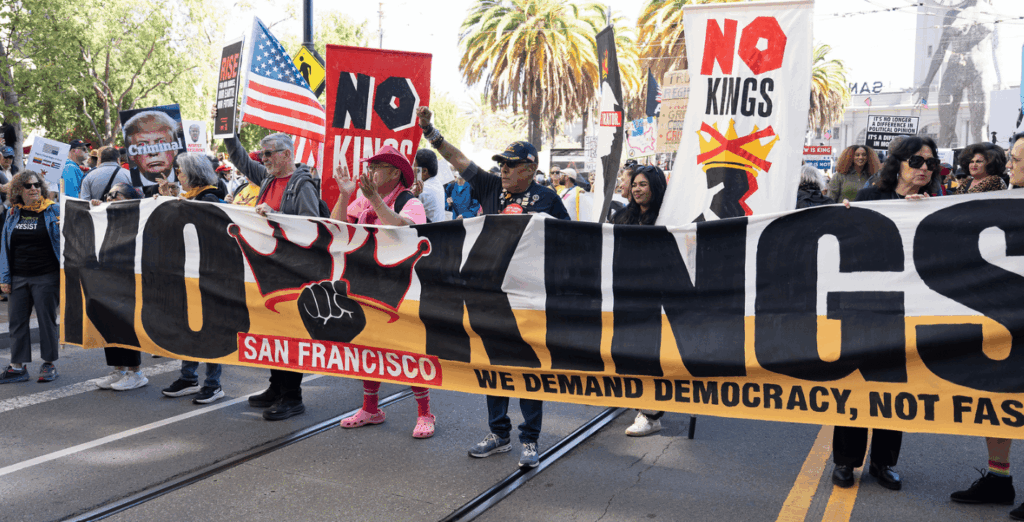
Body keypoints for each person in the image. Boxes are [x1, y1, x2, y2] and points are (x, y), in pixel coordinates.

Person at [417, 104, 569, 469]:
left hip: (529, 297)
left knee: (529, 368)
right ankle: (498, 434)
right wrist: (431, 132)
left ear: (530, 170)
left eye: (511, 165)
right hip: (489, 295)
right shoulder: (488, 185)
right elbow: (458, 158)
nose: (503, 170)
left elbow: (569, 241)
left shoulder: (548, 199)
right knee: (494, 365)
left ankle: (530, 440)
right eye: (501, 164)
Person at [833, 136, 942, 491]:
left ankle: (883, 462)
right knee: (856, 384)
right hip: (866, 309)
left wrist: (922, 214)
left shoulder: (937, 204)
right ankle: (846, 462)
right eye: (917, 160)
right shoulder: (869, 198)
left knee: (894, 389)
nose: (924, 168)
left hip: (909, 312)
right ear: (898, 163)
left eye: (930, 162)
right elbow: (851, 249)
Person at [330, 146, 435, 438]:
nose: (370, 170)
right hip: (366, 282)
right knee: (368, 344)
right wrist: (344, 194)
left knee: (409, 348)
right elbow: (337, 227)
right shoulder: (364, 199)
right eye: (371, 165)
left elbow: (404, 228)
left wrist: (374, 199)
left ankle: (425, 413)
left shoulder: (408, 200)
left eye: (375, 166)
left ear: (393, 173)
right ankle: (370, 409)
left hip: (401, 286)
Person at [948, 133, 1022, 517]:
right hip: (1002, 322)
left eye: (1017, 160)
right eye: (1010, 159)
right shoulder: (1002, 203)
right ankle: (998, 478)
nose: (1009, 166)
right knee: (998, 400)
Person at [226, 129, 320, 420]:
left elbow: (310, 228)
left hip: (292, 272)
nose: (263, 158)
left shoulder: (301, 184)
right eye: (262, 154)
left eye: (269, 153)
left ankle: (292, 396)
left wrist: (275, 216)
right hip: (268, 268)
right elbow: (240, 159)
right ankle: (276, 386)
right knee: (272, 331)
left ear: (287, 155)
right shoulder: (267, 177)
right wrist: (227, 131)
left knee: (290, 334)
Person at [156, 153, 226, 402]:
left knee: (208, 329)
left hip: (208, 275)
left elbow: (202, 231)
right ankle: (188, 377)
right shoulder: (189, 198)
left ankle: (213, 383)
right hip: (186, 273)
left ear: (193, 173)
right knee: (188, 327)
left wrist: (172, 203)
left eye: (181, 171)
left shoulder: (209, 198)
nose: (178, 175)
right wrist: (168, 201)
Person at [612, 164, 670, 436]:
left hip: (659, 297)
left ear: (655, 187)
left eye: (643, 184)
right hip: (627, 295)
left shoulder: (670, 216)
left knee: (653, 355)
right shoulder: (622, 216)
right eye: (634, 184)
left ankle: (650, 414)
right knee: (632, 353)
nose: (636, 188)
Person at [0, 171, 60, 384]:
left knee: (46, 322)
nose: (33, 188)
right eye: (27, 186)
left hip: (46, 276)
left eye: (36, 184)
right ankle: (18, 367)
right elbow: (5, 248)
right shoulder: (11, 213)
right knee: (16, 322)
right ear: (18, 190)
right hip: (18, 277)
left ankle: (49, 364)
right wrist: (4, 277)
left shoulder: (53, 210)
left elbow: (79, 222)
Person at [89, 183, 149, 390]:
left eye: (116, 195)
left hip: (129, 278)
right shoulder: (105, 214)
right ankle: (119, 369)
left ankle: (136, 372)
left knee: (126, 324)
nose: (110, 198)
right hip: (106, 276)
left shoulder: (139, 218)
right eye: (108, 195)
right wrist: (95, 208)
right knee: (108, 322)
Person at [123, 110, 180, 185]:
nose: (153, 152)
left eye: (161, 143)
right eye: (142, 145)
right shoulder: (127, 181)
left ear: (175, 148)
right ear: (131, 155)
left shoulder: (188, 177)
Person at [414, 148, 446, 223]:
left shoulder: (423, 190)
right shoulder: (436, 183)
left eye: (414, 165)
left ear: (424, 171)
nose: (412, 169)